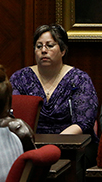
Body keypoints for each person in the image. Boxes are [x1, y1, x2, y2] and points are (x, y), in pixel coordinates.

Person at [10, 24, 99, 164]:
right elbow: (13, 118)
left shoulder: (79, 79)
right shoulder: (20, 78)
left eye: (50, 45)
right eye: (39, 46)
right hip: (29, 146)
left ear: (63, 50)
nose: (43, 50)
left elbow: (84, 123)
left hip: (72, 147)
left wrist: (55, 144)